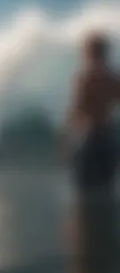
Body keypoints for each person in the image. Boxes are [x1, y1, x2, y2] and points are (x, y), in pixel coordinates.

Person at [60, 32, 120, 273]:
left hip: (90, 141)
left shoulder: (84, 77)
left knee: (84, 198)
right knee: (106, 195)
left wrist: (65, 142)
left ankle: (83, 251)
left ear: (89, 52)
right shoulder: (112, 78)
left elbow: (76, 111)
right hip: (110, 141)